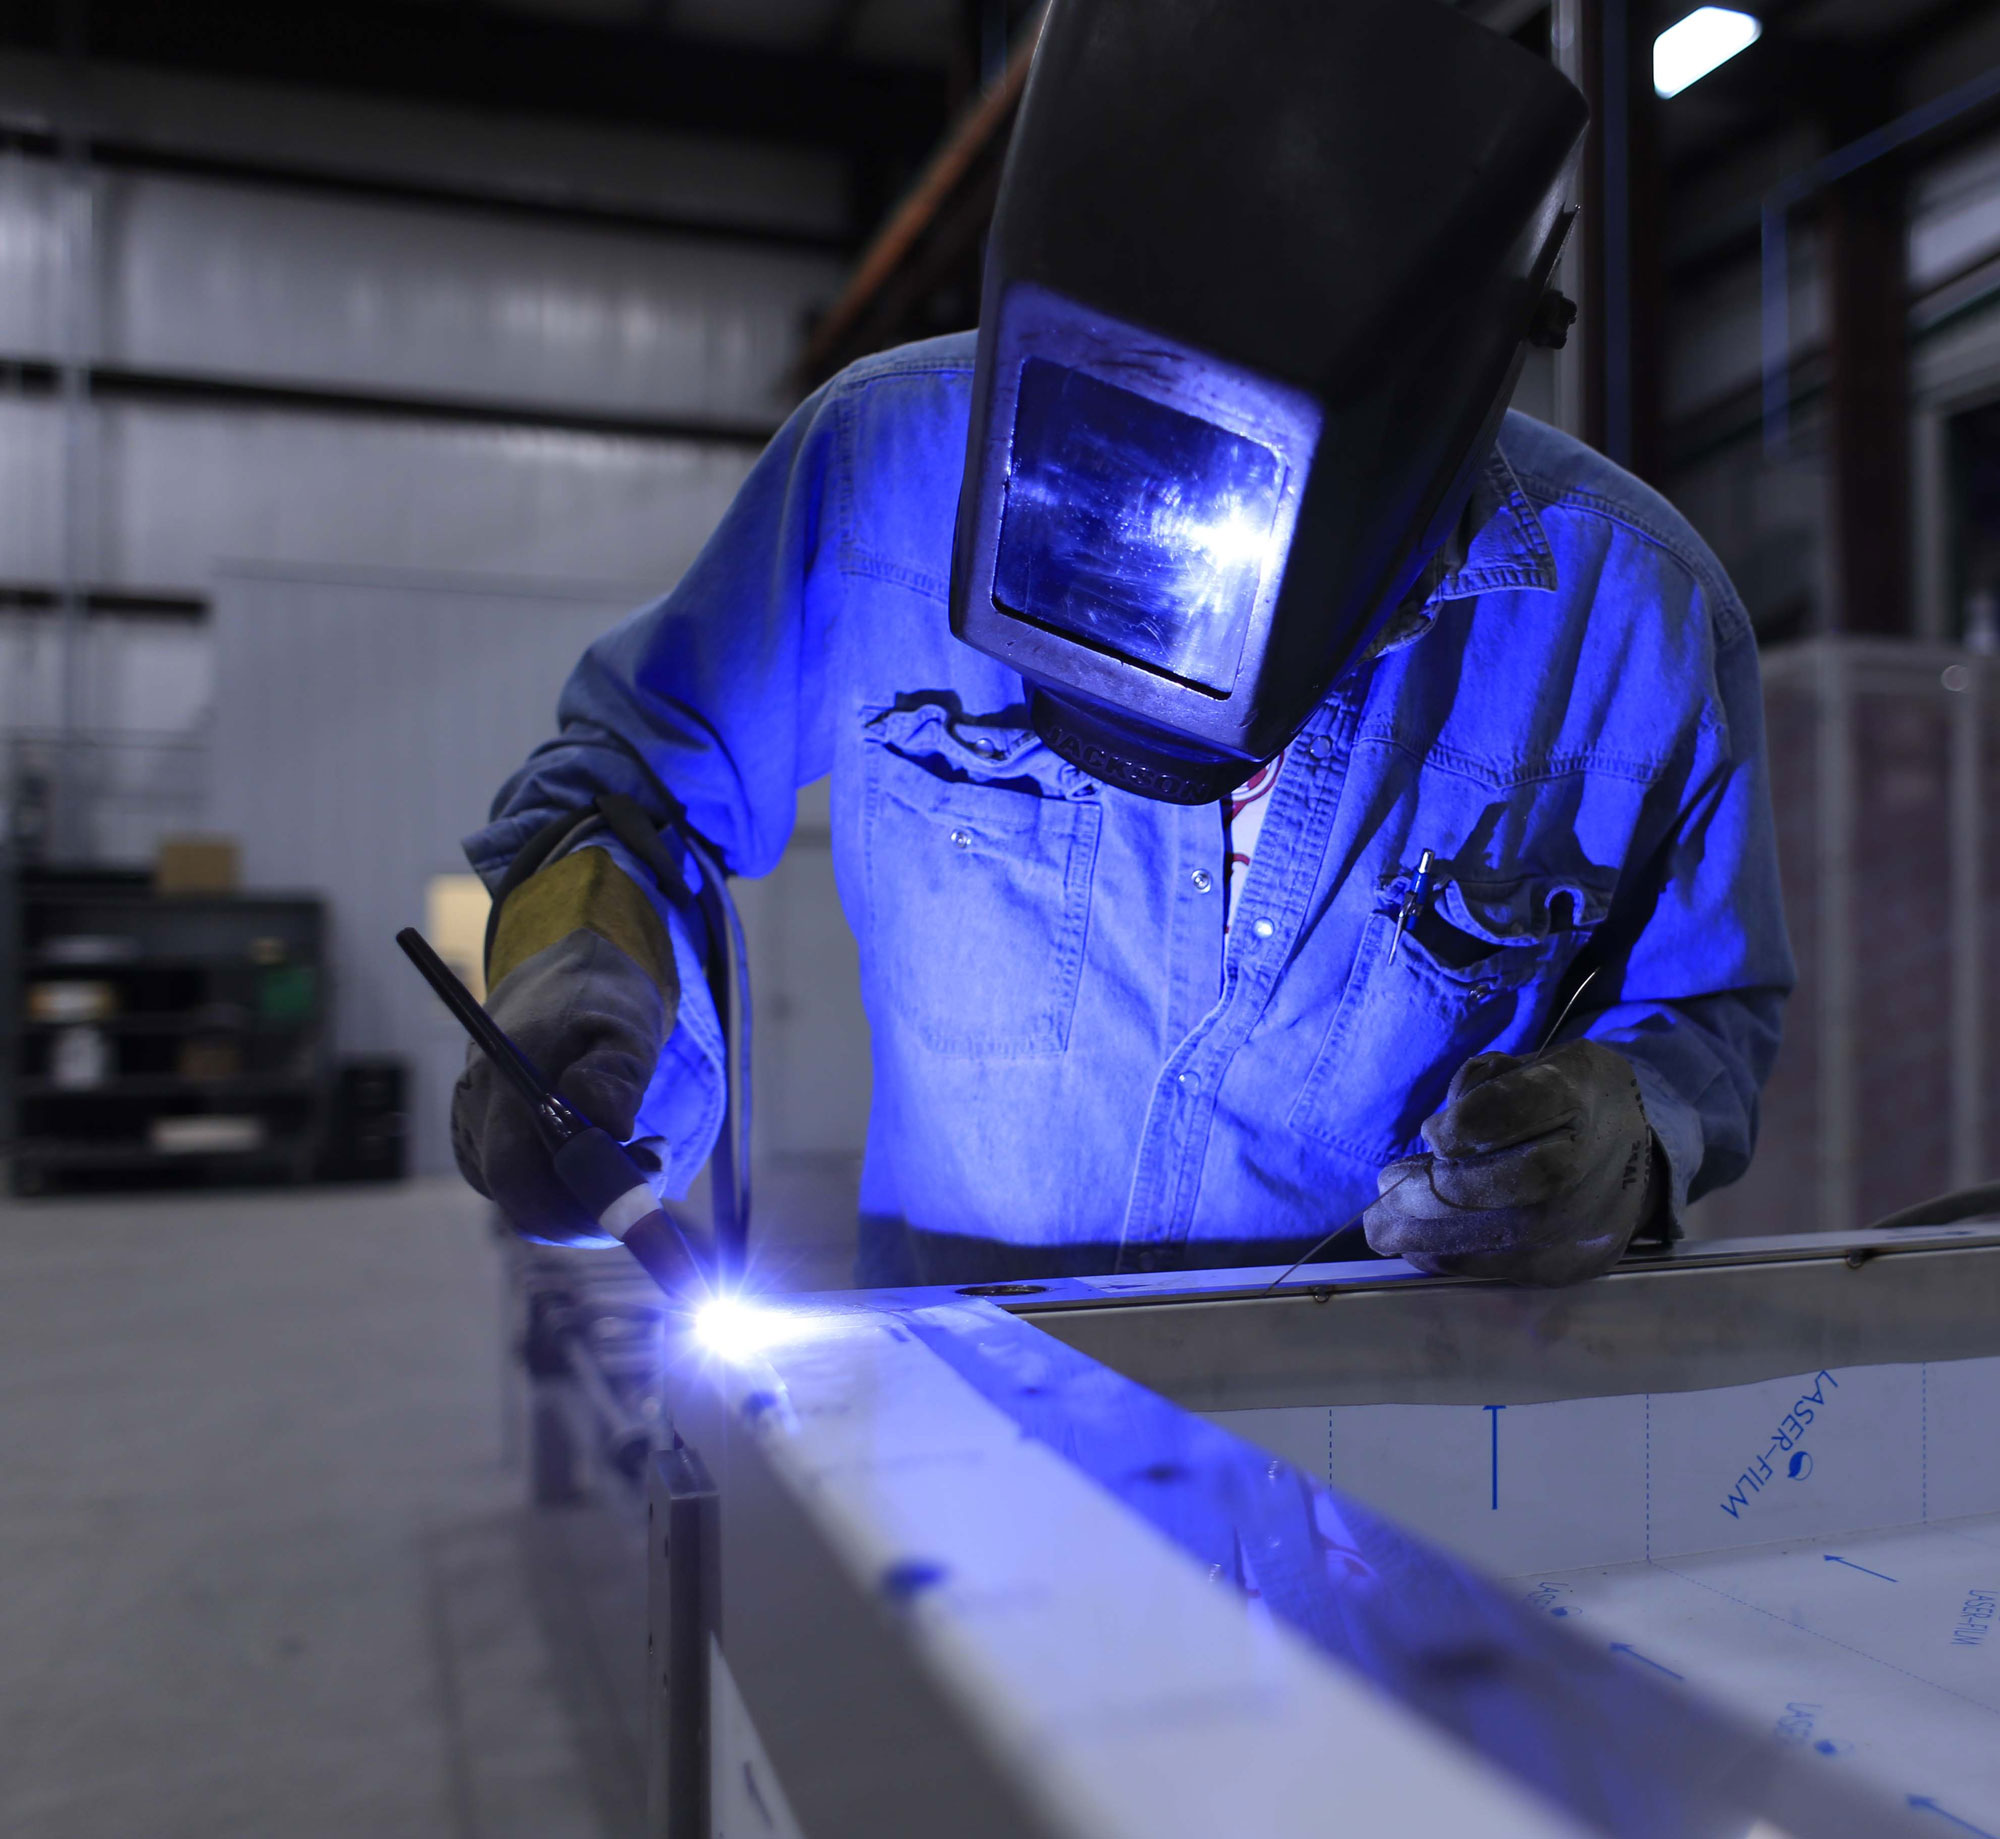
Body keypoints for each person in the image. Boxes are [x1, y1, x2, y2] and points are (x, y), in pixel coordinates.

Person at [451, 0, 1793, 1290]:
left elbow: (1708, 1015)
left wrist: (1620, 1130)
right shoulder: (885, 470)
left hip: (1370, 1452)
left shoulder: (1632, 618)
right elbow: (627, 792)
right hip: (974, 1433)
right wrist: (589, 986)